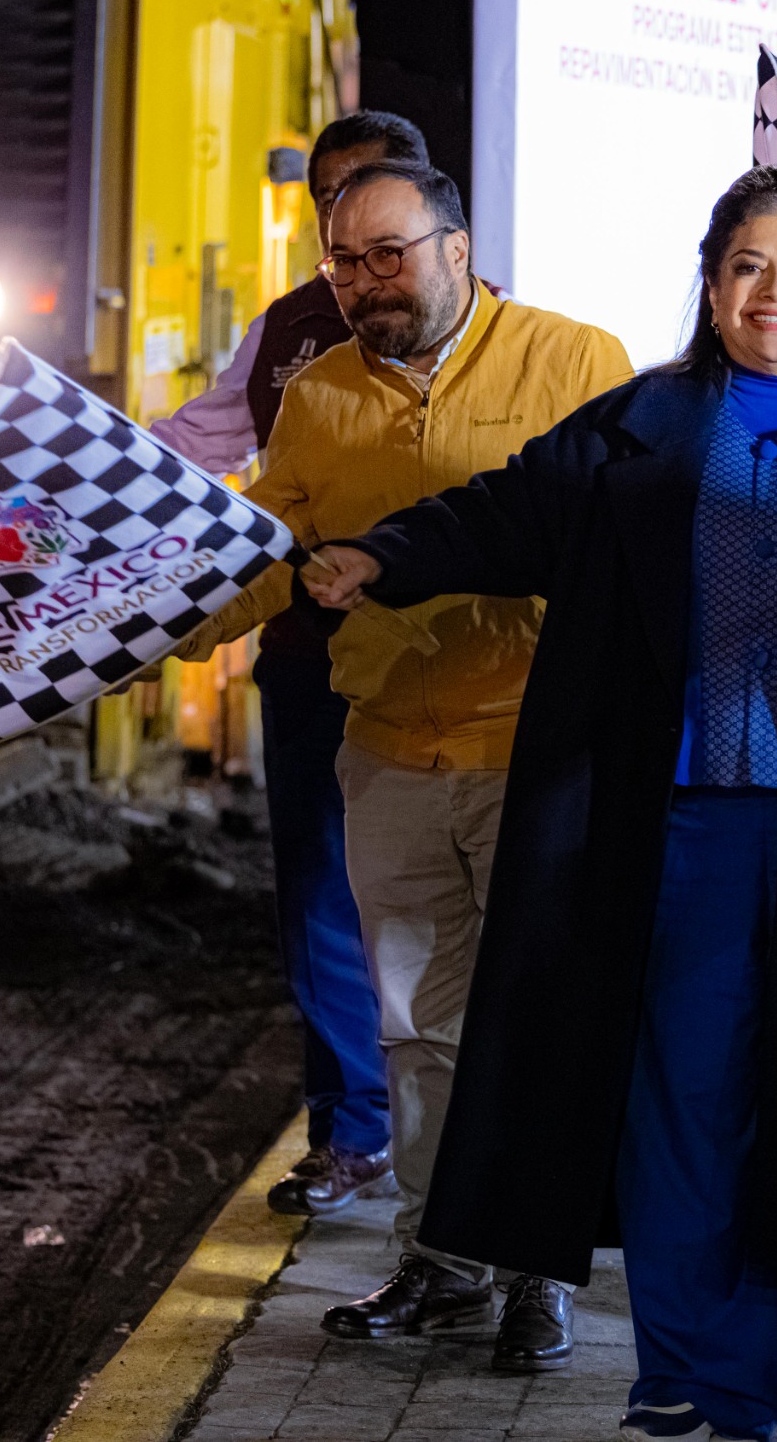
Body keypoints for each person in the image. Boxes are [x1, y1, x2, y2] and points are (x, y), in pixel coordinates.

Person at [306, 166, 777, 1442]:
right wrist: (384, 556)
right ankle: (702, 1377)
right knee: (684, 1115)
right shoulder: (633, 428)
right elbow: (500, 511)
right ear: (711, 284)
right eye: (748, 265)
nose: (774, 292)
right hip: (675, 837)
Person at [174, 160, 633, 1367]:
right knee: (418, 1027)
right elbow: (263, 552)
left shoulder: (575, 360)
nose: (365, 282)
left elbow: (627, 543)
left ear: (456, 248)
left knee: (540, 1022)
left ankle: (540, 1277)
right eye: (343, 263)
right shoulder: (320, 394)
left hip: (539, 754)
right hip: (386, 754)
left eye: (389, 254)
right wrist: (144, 629)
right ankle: (443, 1262)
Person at [153, 111, 430, 1223]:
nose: (347, 218)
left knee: (446, 902)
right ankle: (351, 1131)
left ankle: (459, 1145)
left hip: (447, 672)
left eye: (371, 191)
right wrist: (59, 468)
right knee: (320, 890)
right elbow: (193, 448)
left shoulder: (498, 331)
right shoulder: (288, 333)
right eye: (329, 199)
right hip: (310, 656)